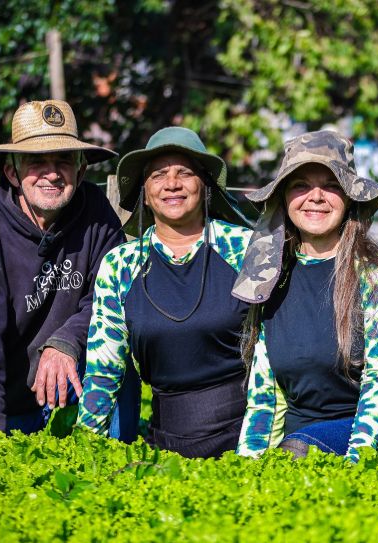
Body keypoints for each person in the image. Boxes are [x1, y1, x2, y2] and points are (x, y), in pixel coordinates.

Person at [233, 130, 378, 462]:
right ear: (284, 197)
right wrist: (247, 470)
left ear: (350, 196)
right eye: (300, 185)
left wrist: (356, 463)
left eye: (331, 185)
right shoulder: (269, 277)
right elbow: (265, 397)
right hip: (301, 442)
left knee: (300, 447)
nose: (315, 197)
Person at [0, 99, 126, 442]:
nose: (51, 172)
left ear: (81, 168)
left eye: (63, 159)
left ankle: (111, 461)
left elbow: (115, 297)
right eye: (36, 162)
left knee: (118, 355)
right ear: (12, 172)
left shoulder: (97, 215)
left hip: (75, 388)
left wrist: (65, 341)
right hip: (9, 401)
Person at [78, 126, 254, 458]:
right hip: (166, 443)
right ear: (144, 192)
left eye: (184, 173)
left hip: (242, 436)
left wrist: (254, 452)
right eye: (158, 175)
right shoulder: (121, 265)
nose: (172, 183)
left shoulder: (243, 249)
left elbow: (270, 360)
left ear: (204, 185)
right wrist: (85, 450)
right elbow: (104, 367)